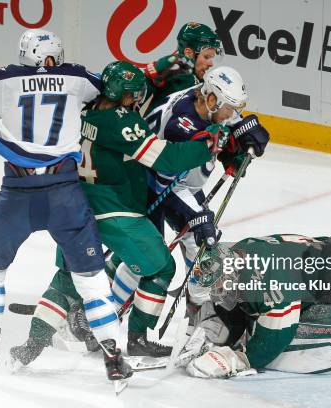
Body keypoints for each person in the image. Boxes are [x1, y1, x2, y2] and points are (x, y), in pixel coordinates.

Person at [8, 60, 231, 366]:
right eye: (132, 93)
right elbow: (164, 159)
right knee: (160, 267)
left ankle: (32, 343)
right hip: (114, 210)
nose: (136, 98)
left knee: (70, 276)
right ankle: (137, 339)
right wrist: (208, 145)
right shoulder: (120, 119)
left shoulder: (84, 111)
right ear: (124, 94)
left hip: (72, 205)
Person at [0, 29, 126, 385]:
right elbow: (110, 88)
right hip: (66, 194)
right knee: (91, 278)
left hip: (18, 194)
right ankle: (114, 358)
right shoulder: (78, 77)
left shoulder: (2, 80)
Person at [107, 66, 269, 328]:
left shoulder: (205, 102)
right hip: (152, 184)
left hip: (175, 182)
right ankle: (106, 315)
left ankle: (200, 312)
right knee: (161, 252)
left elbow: (224, 128)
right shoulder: (181, 122)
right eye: (231, 108)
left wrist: (241, 142)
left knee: (197, 242)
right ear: (212, 99)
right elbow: (178, 163)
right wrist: (229, 145)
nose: (233, 115)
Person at [178, 235, 331, 377]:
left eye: (219, 286)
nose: (218, 292)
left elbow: (272, 342)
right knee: (247, 314)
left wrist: (240, 359)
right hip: (324, 269)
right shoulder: (238, 254)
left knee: (292, 337)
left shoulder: (270, 286)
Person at [141, 22, 222, 115]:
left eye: (211, 58)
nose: (211, 64)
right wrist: (159, 69)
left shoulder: (199, 80)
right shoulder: (173, 70)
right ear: (188, 53)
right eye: (206, 57)